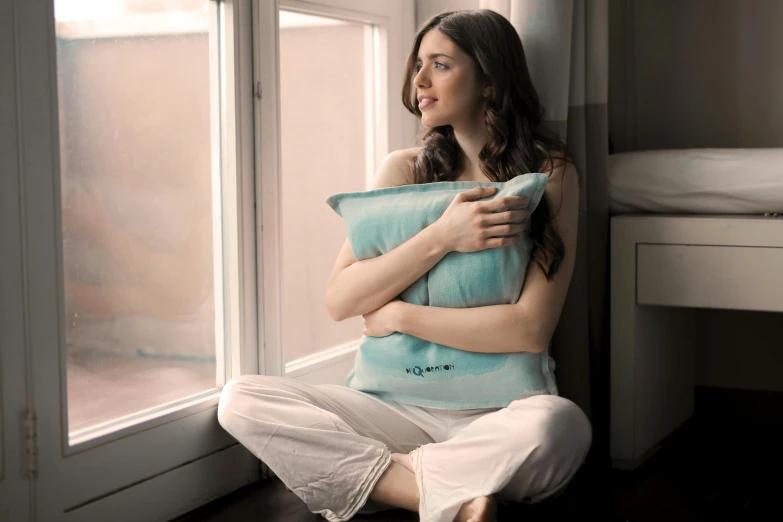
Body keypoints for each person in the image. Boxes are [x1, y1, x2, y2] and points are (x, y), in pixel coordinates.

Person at [217, 9, 591, 522]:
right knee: (241, 399)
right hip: (389, 408)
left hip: (496, 415)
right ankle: (441, 496)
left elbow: (528, 330)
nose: (418, 81)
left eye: (439, 64)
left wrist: (399, 317)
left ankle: (383, 477)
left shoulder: (551, 175)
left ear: (489, 80)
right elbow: (341, 299)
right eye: (418, 64)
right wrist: (443, 236)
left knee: (561, 425)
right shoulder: (403, 170)